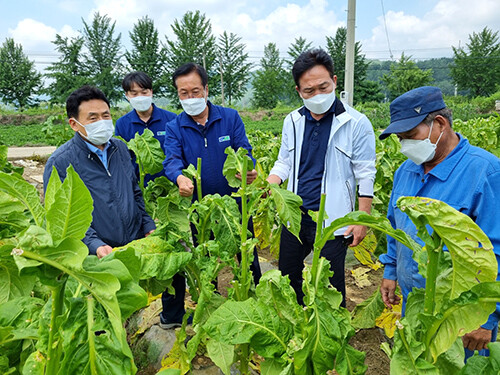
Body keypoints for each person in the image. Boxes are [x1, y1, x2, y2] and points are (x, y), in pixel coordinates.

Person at [378, 86, 500, 358]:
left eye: (410, 136)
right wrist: (390, 270)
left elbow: (498, 250)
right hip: (415, 304)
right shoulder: (405, 171)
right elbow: (394, 226)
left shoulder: (485, 172)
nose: (405, 146)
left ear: (440, 124)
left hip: (462, 317)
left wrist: (486, 318)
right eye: (400, 139)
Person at [267, 48, 376, 307]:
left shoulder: (356, 123)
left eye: (323, 87)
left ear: (335, 82)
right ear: (298, 91)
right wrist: (270, 183)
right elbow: (284, 161)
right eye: (309, 90)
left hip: (332, 218)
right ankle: (297, 327)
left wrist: (362, 219)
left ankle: (333, 333)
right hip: (295, 214)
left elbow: (365, 173)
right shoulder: (292, 121)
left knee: (331, 284)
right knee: (288, 274)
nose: (317, 95)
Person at [161, 62, 262, 328]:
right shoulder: (175, 127)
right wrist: (179, 177)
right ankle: (214, 306)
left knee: (246, 253)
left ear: (206, 89)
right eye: (184, 93)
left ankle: (257, 298)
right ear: (178, 95)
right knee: (206, 258)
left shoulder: (229, 117)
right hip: (201, 209)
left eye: (195, 91)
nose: (190, 98)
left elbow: (244, 150)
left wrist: (247, 168)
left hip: (235, 205)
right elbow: (171, 160)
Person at [43, 85, 156, 259]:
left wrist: (148, 225)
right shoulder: (61, 163)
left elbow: (135, 193)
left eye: (105, 115)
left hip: (135, 246)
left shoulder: (120, 149)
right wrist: (95, 244)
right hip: (95, 257)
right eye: (93, 118)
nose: (102, 122)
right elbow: (62, 216)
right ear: (74, 124)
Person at [115, 71, 177, 185]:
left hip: (169, 184)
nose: (140, 97)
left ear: (151, 92)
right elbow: (122, 160)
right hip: (139, 186)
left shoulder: (171, 119)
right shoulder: (122, 124)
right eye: (134, 94)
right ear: (127, 96)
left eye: (144, 92)